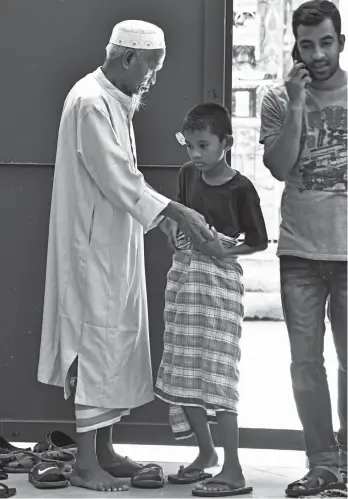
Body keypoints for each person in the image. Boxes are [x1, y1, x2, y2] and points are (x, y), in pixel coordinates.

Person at [37, 20, 213, 493]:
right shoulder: (91, 102)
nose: (152, 80)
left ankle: (106, 451)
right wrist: (176, 209)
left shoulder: (116, 99)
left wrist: (162, 220)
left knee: (116, 342)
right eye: (150, 70)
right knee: (95, 344)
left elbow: (125, 182)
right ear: (128, 58)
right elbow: (117, 178)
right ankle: (85, 463)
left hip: (114, 244)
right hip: (91, 250)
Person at [155, 103, 268, 497]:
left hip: (220, 285)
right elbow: (177, 213)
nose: (195, 155)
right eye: (189, 146)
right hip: (184, 279)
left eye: (203, 145)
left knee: (219, 375)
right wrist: (171, 225)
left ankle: (234, 469)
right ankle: (206, 455)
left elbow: (257, 242)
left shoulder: (241, 188)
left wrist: (224, 253)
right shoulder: (187, 175)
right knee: (184, 367)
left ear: (227, 144)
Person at [259, 1, 347, 496]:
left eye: (326, 42)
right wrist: (296, 102)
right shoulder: (277, 97)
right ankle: (323, 463)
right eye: (308, 44)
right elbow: (280, 166)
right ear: (296, 45)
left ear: (340, 40)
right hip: (299, 253)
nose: (317, 54)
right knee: (305, 363)